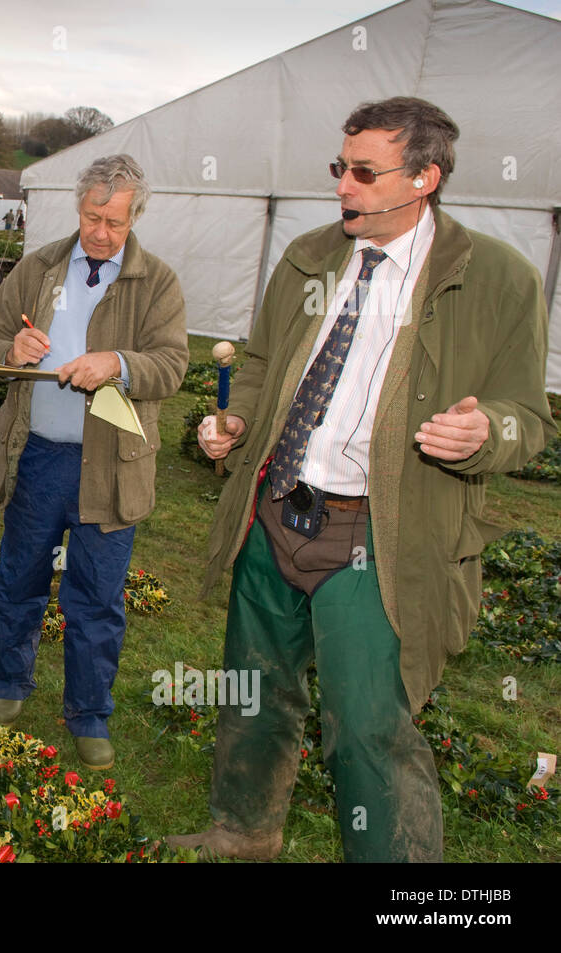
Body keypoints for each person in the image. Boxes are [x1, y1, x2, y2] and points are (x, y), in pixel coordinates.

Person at [169, 97, 555, 863]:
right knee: (253, 691)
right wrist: (238, 421)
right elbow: (257, 364)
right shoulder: (311, 256)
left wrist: (486, 432)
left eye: (364, 173)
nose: (343, 186)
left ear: (424, 178)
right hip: (276, 510)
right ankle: (243, 830)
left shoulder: (496, 280)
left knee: (369, 722)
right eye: (339, 169)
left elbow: (531, 419)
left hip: (380, 534)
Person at [0, 155, 187, 770]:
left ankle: (89, 713)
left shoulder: (158, 282)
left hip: (112, 465)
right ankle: (10, 681)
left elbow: (172, 366)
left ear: (134, 217)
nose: (101, 232)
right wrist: (10, 347)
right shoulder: (38, 267)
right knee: (19, 579)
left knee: (96, 596)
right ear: (78, 207)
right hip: (38, 457)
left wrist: (116, 363)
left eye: (114, 223)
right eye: (93, 217)